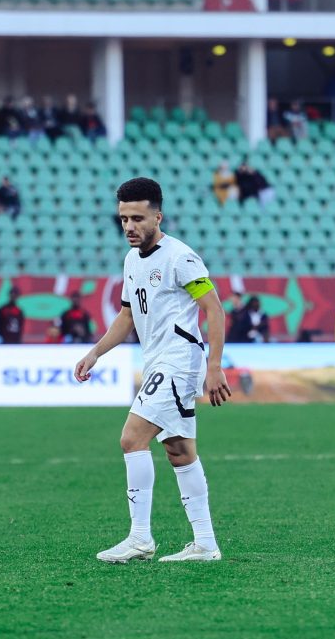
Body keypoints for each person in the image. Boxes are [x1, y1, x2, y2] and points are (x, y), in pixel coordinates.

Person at [74, 177, 232, 563]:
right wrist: (96, 352)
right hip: (158, 361)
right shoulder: (131, 260)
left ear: (157, 216)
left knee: (131, 439)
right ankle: (205, 543)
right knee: (179, 451)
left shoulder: (180, 257)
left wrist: (215, 366)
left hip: (178, 360)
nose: (129, 226)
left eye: (138, 218)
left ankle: (140, 538)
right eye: (124, 218)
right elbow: (128, 316)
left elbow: (213, 309)